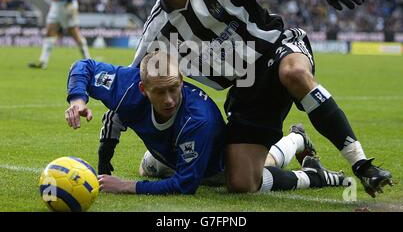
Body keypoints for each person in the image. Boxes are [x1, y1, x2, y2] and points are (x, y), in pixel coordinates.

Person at [128, 0, 392, 197]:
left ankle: (362, 165)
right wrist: (107, 132)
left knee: (295, 73)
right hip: (246, 86)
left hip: (278, 50)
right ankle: (310, 169)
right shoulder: (158, 29)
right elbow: (132, 79)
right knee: (242, 183)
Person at [65, 51, 346, 195]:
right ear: (142, 89)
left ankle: (314, 176)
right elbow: (84, 66)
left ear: (182, 81)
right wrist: (77, 99)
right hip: (170, 153)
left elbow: (185, 185)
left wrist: (126, 186)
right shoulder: (125, 85)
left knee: (248, 180)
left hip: (214, 162)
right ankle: (297, 139)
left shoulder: (198, 120)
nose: (169, 99)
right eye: (159, 92)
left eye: (174, 88)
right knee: (147, 165)